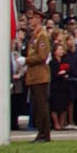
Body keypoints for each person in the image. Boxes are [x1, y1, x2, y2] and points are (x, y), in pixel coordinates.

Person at [24, 14, 53, 142]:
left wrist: (26, 60)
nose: (30, 21)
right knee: (37, 106)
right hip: (34, 76)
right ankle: (41, 132)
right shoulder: (34, 36)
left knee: (42, 106)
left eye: (32, 18)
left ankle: (44, 134)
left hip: (40, 75)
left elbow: (42, 56)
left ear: (38, 19)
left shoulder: (42, 36)